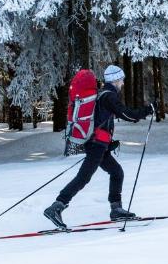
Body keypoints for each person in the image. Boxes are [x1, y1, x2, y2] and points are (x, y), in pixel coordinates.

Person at [44, 65, 152, 229]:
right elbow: (127, 114)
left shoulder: (102, 95)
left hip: (99, 144)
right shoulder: (108, 96)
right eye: (121, 79)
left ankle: (116, 209)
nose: (122, 83)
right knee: (84, 178)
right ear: (115, 80)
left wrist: (107, 143)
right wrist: (148, 110)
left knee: (116, 172)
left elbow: (101, 121)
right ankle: (57, 206)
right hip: (96, 145)